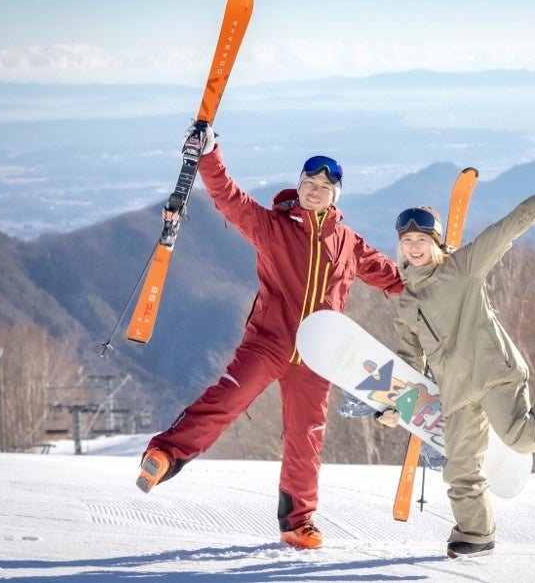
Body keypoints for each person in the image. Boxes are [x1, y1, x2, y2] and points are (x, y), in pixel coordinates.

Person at [134, 124, 405, 550]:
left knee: (307, 435)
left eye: (324, 187)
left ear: (335, 195)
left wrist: (437, 279)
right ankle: (165, 455)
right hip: (269, 342)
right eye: (308, 183)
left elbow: (394, 278)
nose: (314, 191)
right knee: (228, 399)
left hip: (318, 355)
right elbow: (229, 197)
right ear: (299, 186)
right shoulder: (273, 227)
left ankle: (298, 522)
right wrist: (210, 154)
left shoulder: (348, 243)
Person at [379, 180, 535, 559]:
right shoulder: (407, 303)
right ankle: (476, 535)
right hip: (457, 394)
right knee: (460, 468)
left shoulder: (462, 268)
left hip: (494, 373)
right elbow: (409, 360)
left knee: (523, 437)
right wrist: (393, 405)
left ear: (436, 242)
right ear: (400, 246)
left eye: (422, 239)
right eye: (407, 241)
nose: (415, 247)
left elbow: (505, 229)